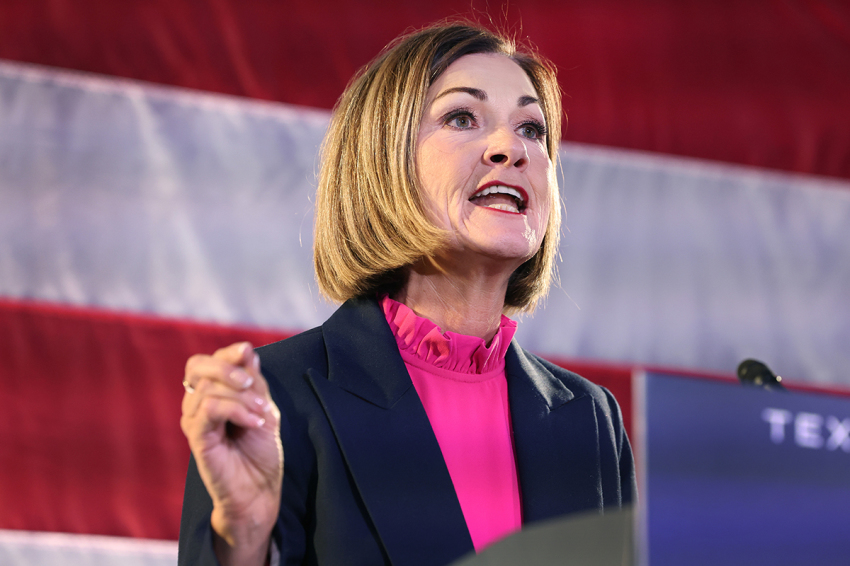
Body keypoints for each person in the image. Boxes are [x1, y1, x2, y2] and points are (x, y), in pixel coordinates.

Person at [178, 22, 635, 566]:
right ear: (384, 162)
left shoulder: (590, 417)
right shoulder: (278, 397)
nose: (510, 148)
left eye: (532, 129)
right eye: (462, 118)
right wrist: (245, 537)